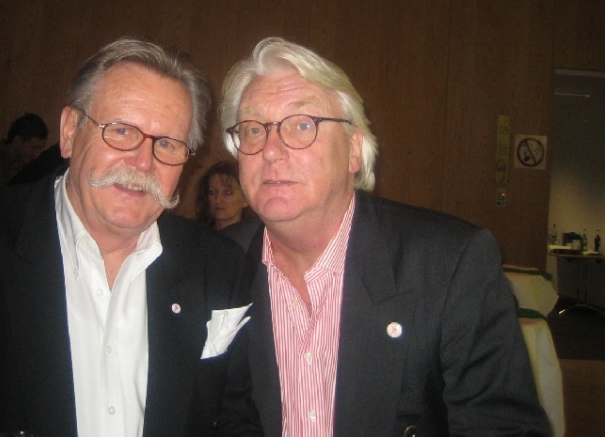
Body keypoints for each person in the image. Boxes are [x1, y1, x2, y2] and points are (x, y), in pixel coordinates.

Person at [0, 38, 260, 437]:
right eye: (121, 131)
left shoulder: (218, 266)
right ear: (70, 131)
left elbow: (235, 421)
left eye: (166, 143)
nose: (142, 162)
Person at [219, 37, 550, 437]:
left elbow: (503, 429)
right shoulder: (218, 264)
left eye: (302, 124)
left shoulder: (450, 264)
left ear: (353, 150)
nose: (270, 150)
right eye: (253, 130)